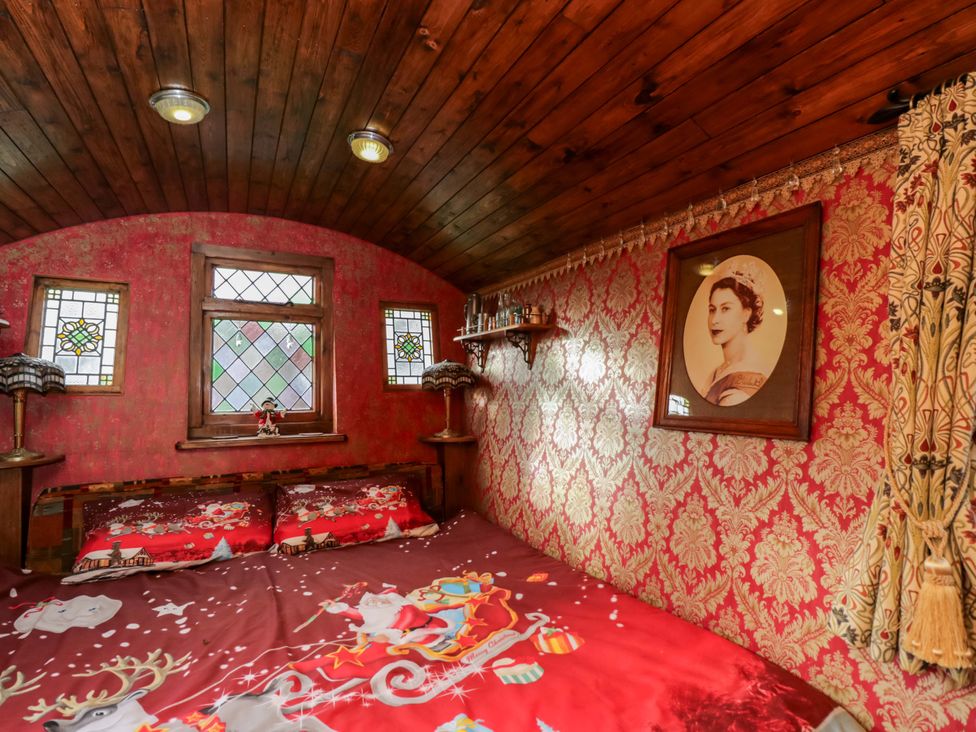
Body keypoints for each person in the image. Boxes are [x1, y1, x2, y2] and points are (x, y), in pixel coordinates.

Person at [703, 262, 769, 406]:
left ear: (746, 314)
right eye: (712, 310)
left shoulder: (747, 377)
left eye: (725, 309)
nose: (714, 320)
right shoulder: (717, 372)